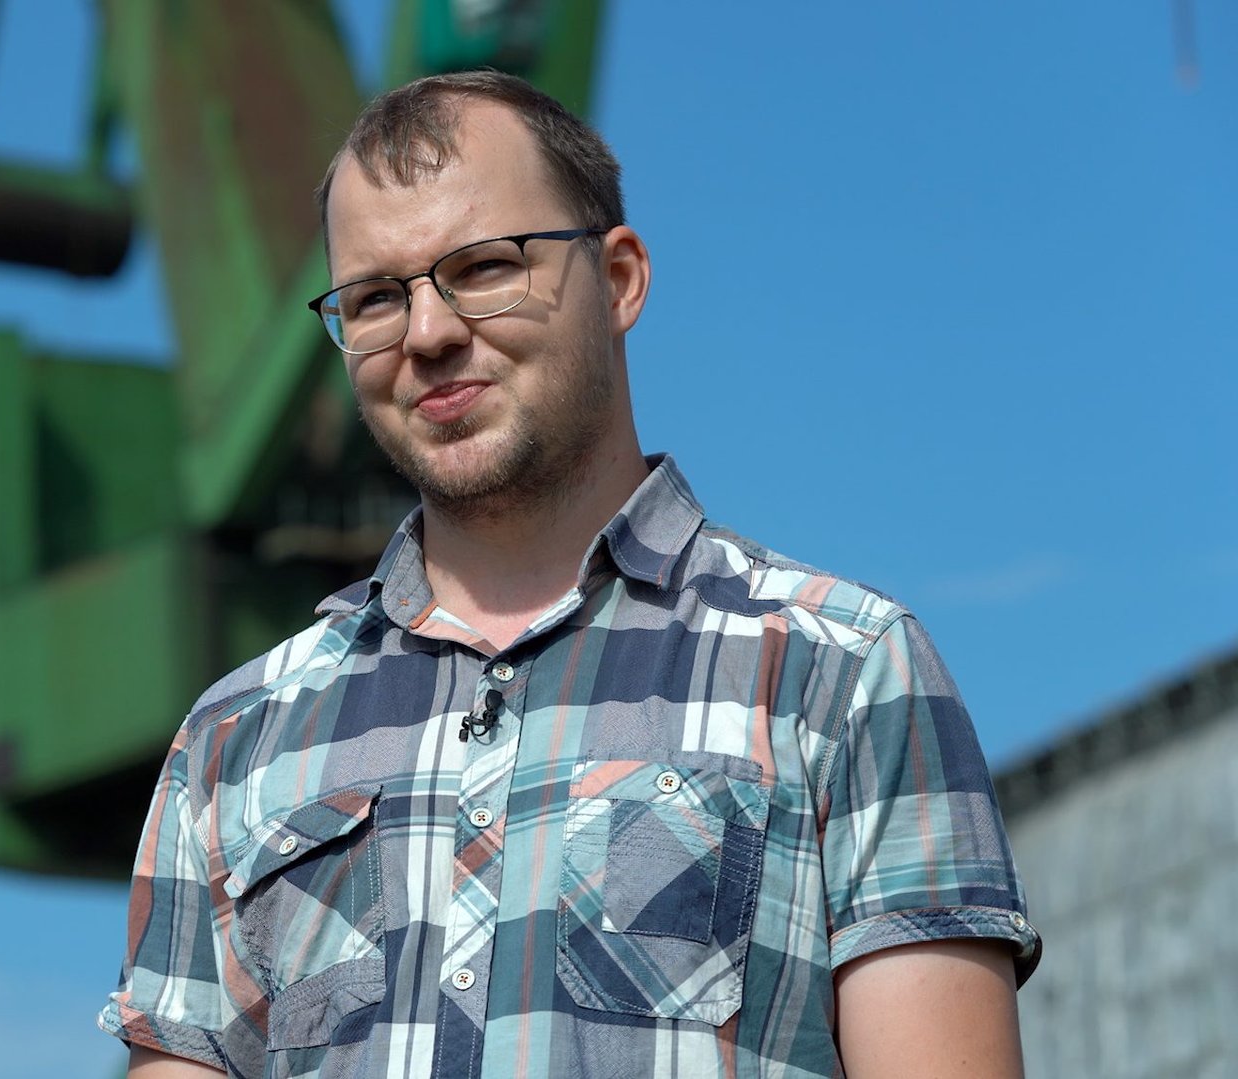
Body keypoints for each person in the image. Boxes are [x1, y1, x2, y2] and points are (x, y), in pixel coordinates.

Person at [99, 70, 1039, 1079]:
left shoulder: (842, 673)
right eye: (375, 297)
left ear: (621, 278)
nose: (428, 333)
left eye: (483, 267)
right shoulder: (232, 744)